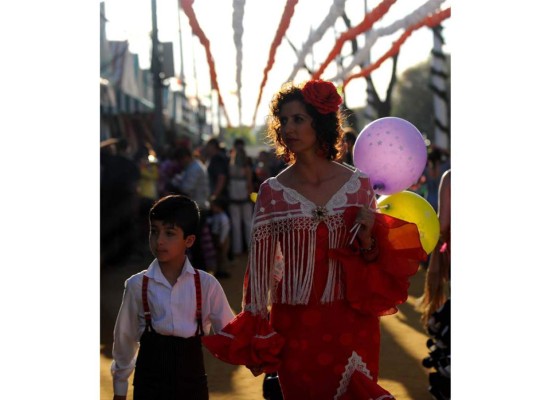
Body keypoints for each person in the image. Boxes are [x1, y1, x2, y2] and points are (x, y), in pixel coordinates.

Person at [202, 79, 427, 399]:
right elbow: (261, 269)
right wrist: (257, 322)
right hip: (296, 327)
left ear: (319, 123)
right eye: (283, 120)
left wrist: (367, 238)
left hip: (352, 322)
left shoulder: (359, 185)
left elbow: (373, 262)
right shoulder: (271, 192)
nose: (288, 128)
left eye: (298, 119)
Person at [110, 195, 235, 399]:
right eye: (154, 231)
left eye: (169, 233)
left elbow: (230, 332)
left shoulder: (207, 284)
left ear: (189, 240)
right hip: (148, 385)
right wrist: (120, 387)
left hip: (192, 384)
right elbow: (124, 339)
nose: (159, 241)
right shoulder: (137, 285)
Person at [227, 138, 254, 256]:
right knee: (247, 222)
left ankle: (237, 249)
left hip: (233, 195)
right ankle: (249, 248)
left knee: (236, 223)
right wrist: (251, 196)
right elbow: (249, 184)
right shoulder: (247, 167)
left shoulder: (230, 166)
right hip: (244, 196)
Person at [208, 197, 232, 278]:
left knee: (223, 255)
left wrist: (221, 241)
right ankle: (219, 270)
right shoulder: (216, 216)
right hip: (216, 237)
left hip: (222, 238)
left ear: (219, 207)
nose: (212, 208)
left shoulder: (223, 217)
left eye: (213, 206)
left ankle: (224, 271)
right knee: (218, 255)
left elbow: (225, 230)